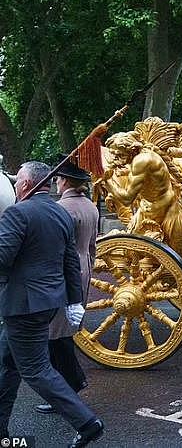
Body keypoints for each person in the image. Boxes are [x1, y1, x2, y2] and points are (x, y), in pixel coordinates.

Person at [0, 161, 104, 447]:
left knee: (35, 370)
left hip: (23, 305)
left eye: (19, 180)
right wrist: (73, 302)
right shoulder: (59, 213)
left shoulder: (17, 213)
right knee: (7, 365)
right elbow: (70, 261)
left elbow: (2, 259)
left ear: (26, 184)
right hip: (45, 303)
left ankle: (87, 422)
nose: (17, 185)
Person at [34, 160, 100, 415]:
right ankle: (71, 383)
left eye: (59, 179)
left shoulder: (60, 208)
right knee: (62, 333)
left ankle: (66, 388)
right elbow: (92, 246)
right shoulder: (91, 207)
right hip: (83, 267)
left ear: (64, 181)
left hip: (62, 273)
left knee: (55, 335)